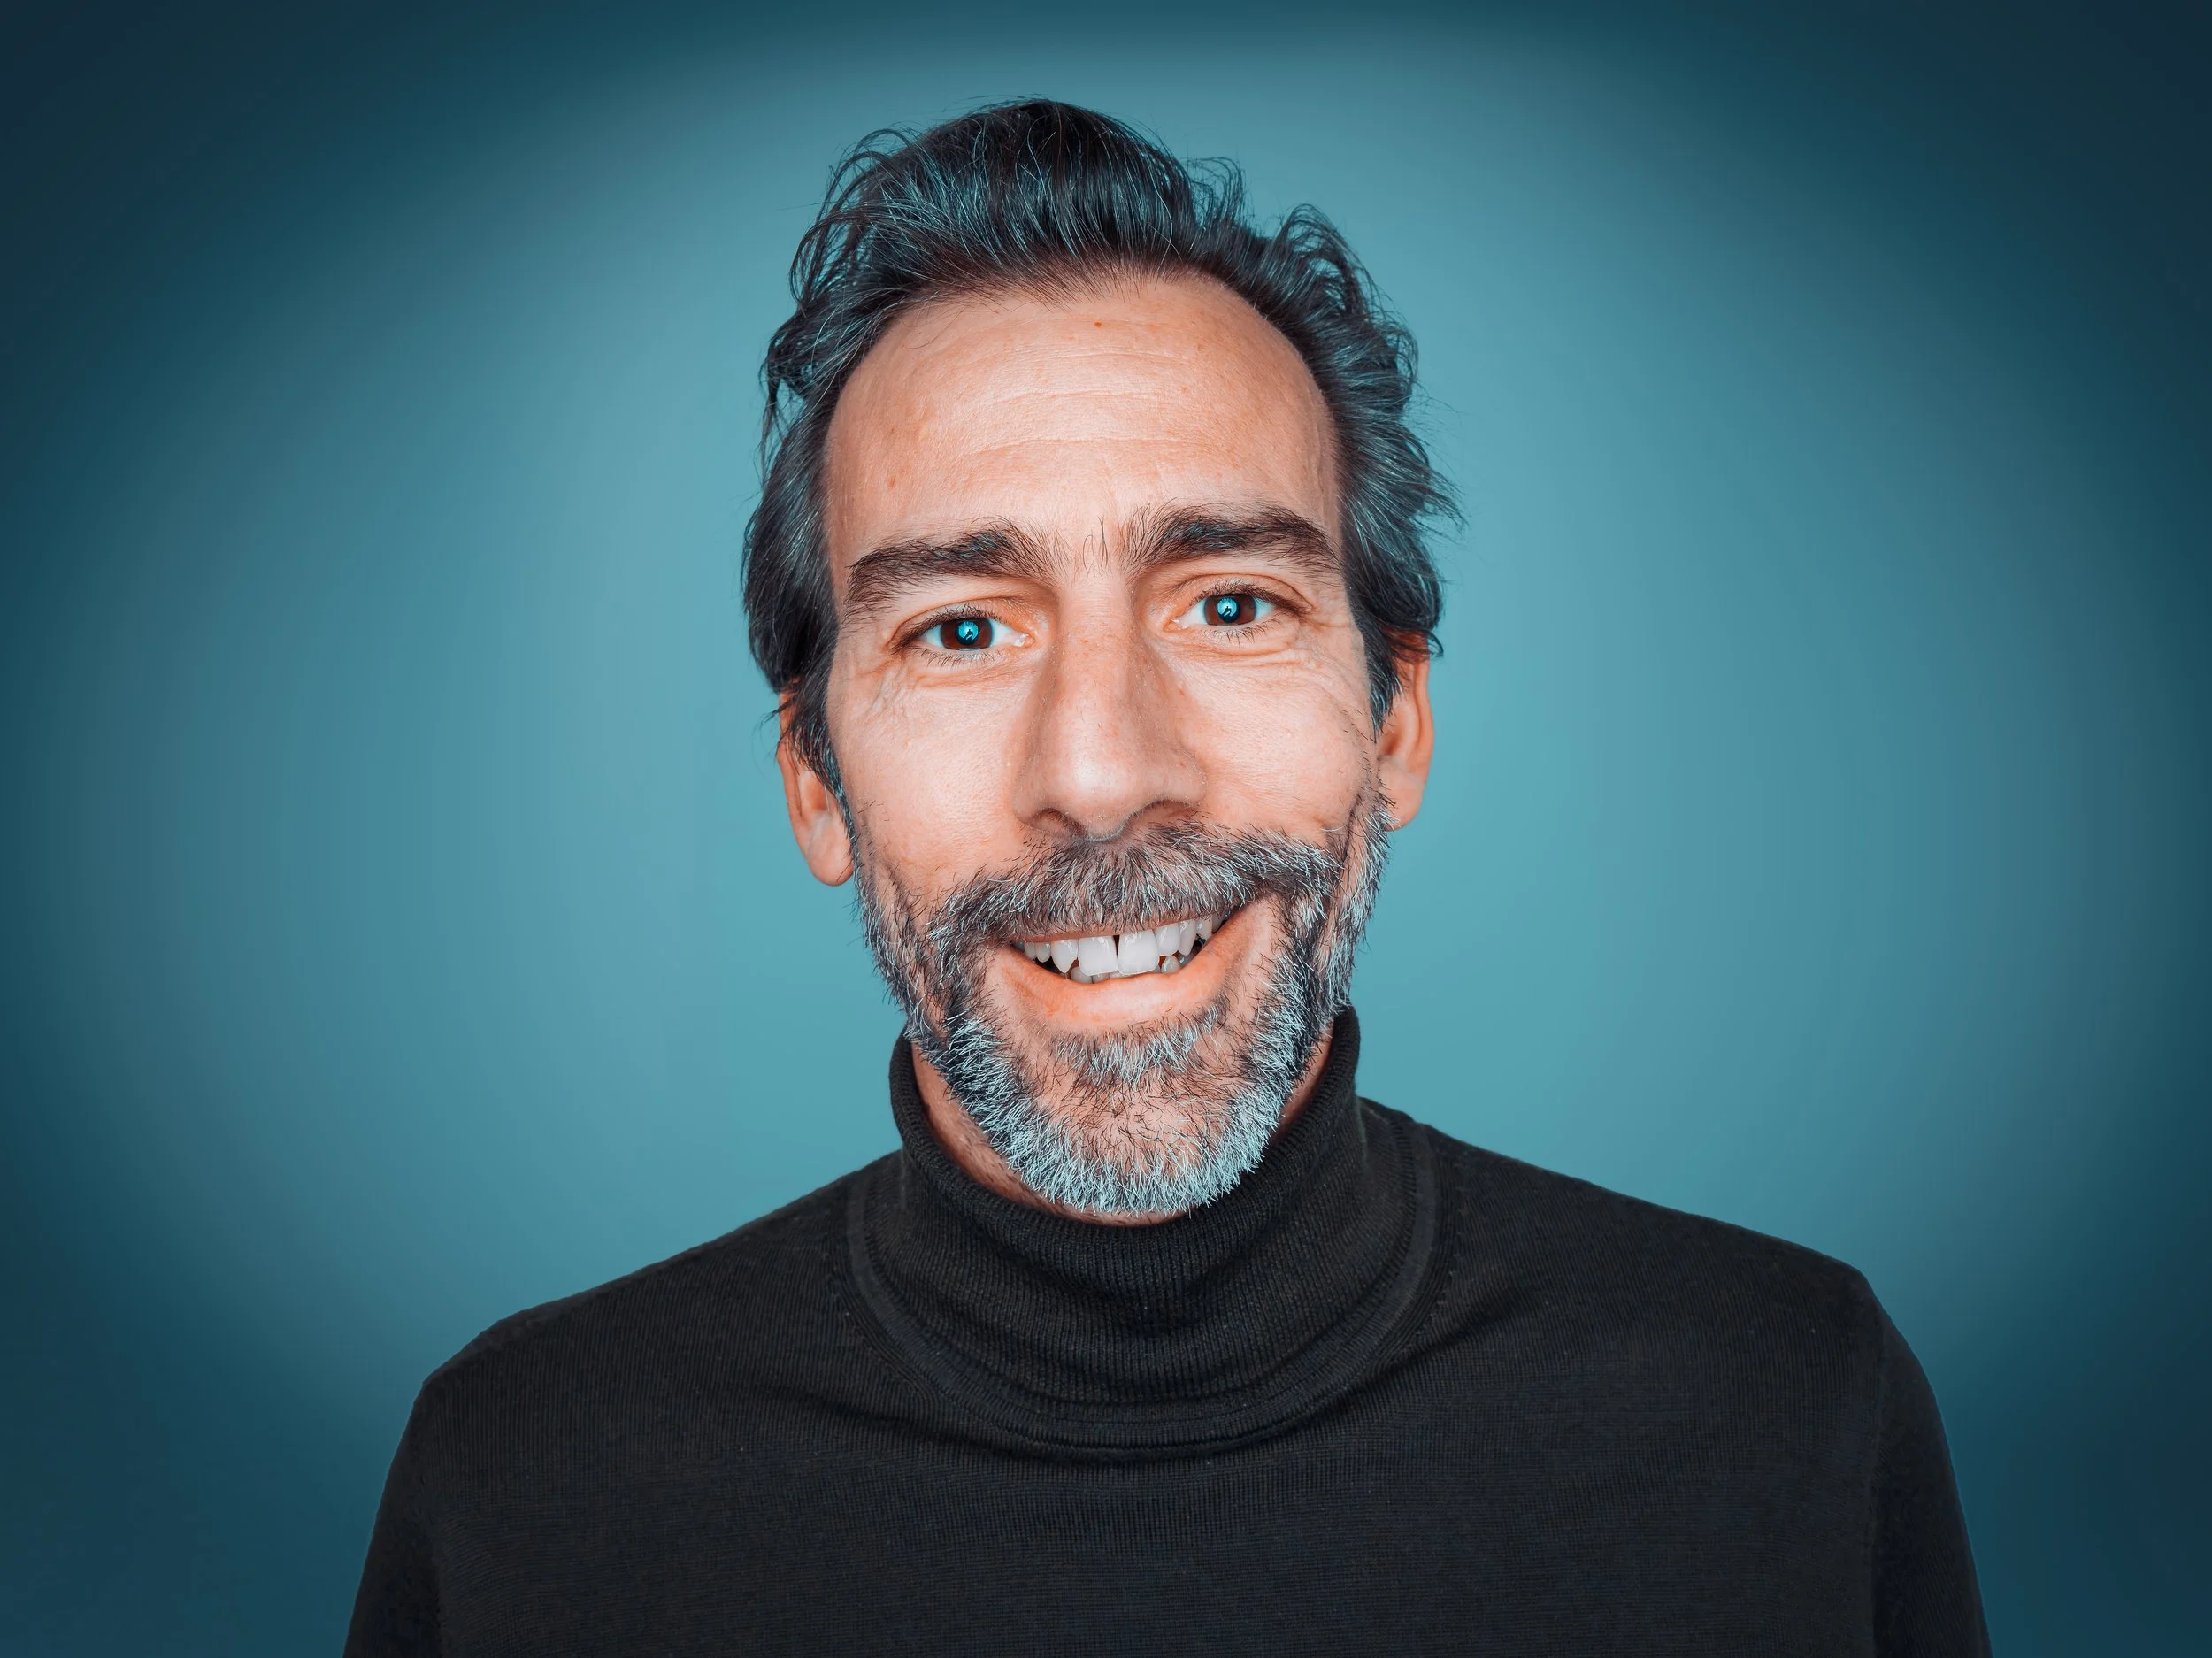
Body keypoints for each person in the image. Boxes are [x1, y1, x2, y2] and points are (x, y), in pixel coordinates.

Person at [344, 100, 1988, 1655]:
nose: (1104, 770)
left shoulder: (1789, 1409)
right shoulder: (529, 1490)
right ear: (815, 781)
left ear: (1395, 721)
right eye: (962, 630)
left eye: (1230, 605)